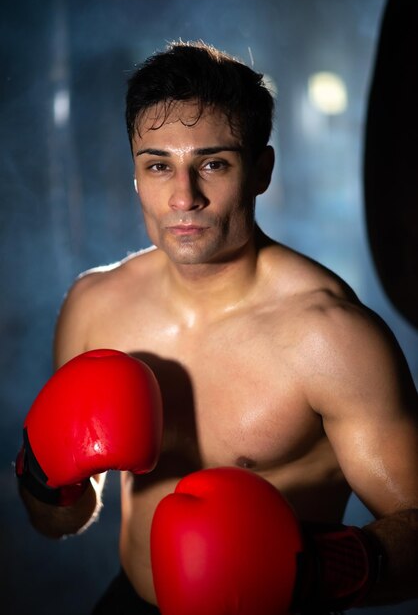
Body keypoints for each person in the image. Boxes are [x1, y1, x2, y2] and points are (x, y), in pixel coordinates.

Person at [16, 41, 418, 614]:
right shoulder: (93, 305)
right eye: (158, 165)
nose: (184, 197)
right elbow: (58, 521)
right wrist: (45, 474)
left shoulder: (331, 338)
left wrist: (316, 569)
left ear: (261, 171)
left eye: (212, 163)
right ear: (135, 174)